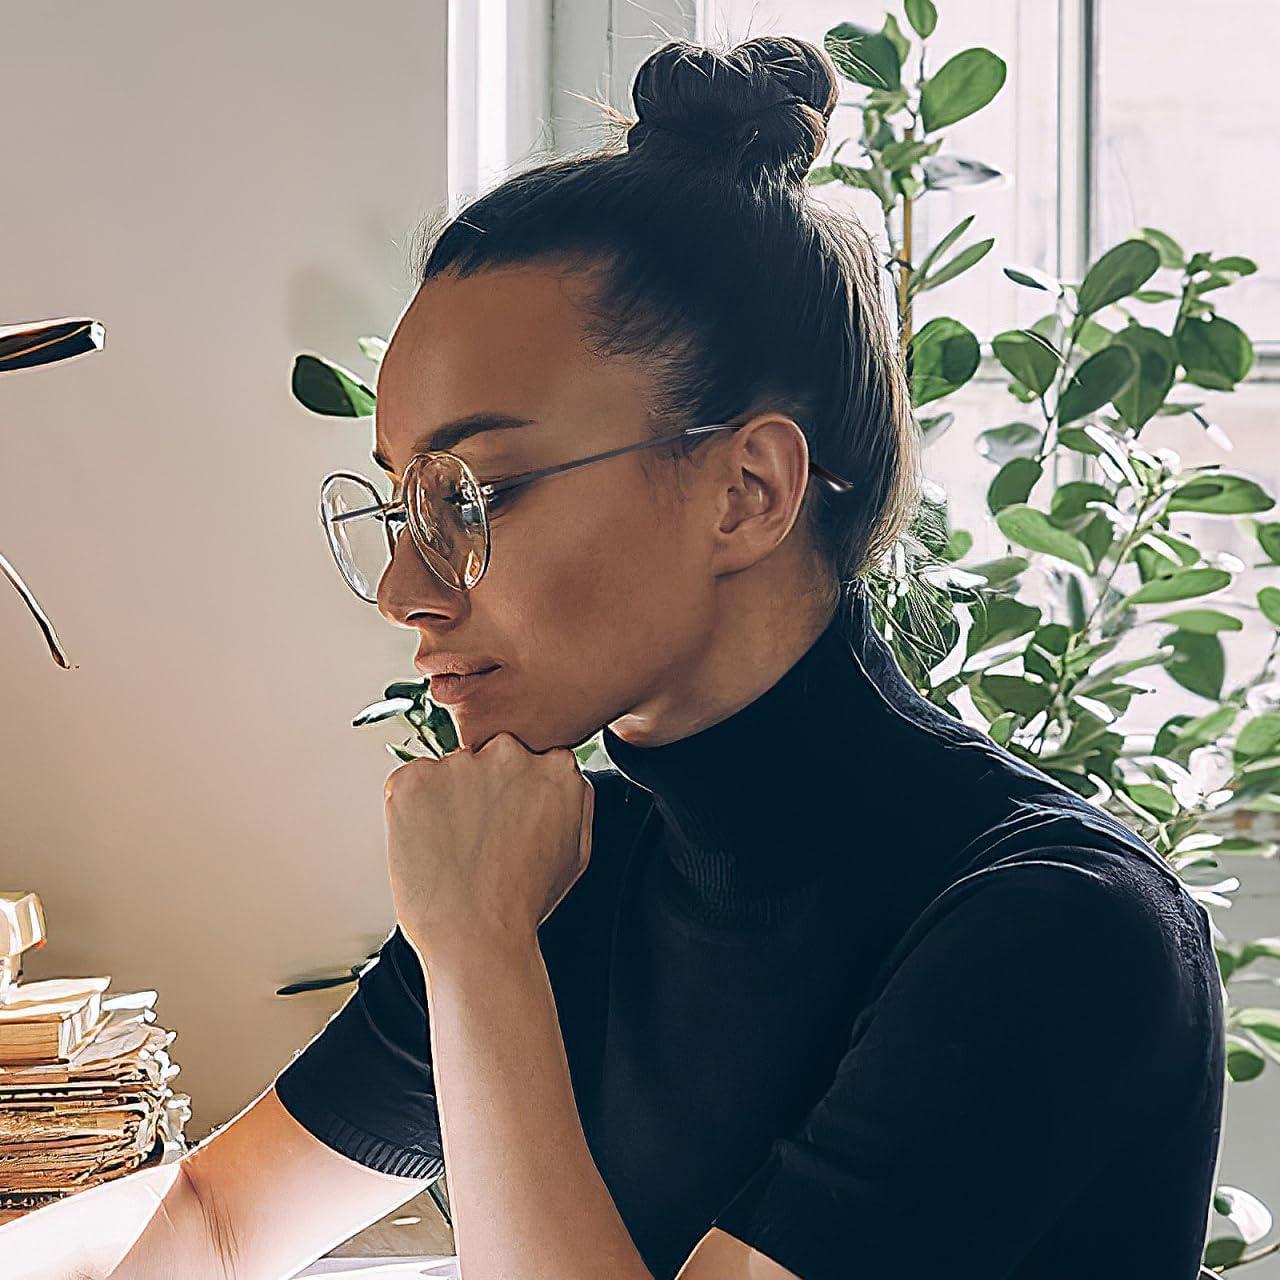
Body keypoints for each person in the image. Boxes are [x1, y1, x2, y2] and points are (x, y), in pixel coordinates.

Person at [0, 32, 1225, 1280]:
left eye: (477, 495)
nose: (402, 587)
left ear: (746, 489)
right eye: (400, 504)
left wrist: (477, 950)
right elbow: (208, 1220)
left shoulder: (1054, 930)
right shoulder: (574, 867)